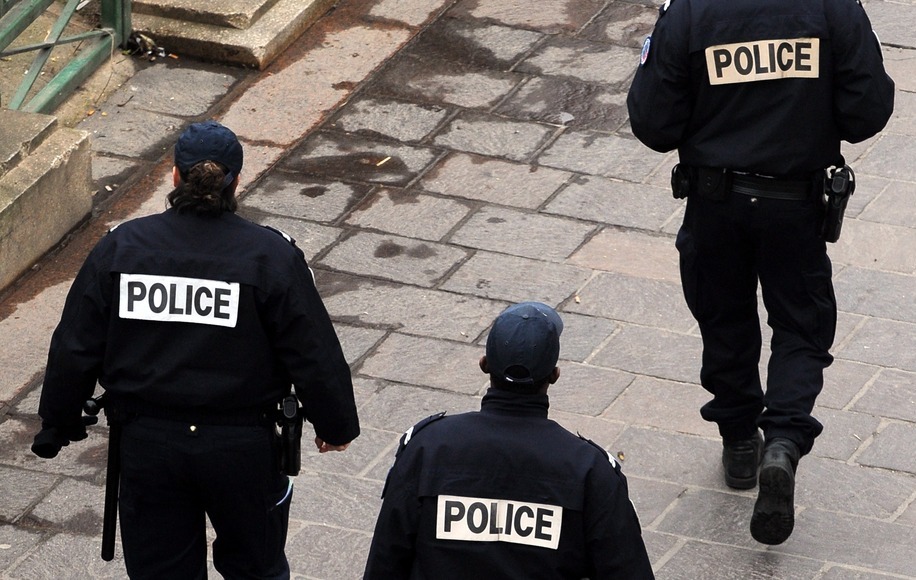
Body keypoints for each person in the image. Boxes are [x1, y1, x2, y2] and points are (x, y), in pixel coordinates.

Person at [30, 120, 360, 578]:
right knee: (256, 568)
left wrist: (58, 422)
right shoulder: (269, 257)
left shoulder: (122, 248)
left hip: (148, 445)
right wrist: (335, 423)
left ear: (174, 176)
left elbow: (75, 346)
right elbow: (311, 349)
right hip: (242, 447)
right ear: (236, 180)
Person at [626, 0, 894, 545]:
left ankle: (740, 442)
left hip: (714, 201)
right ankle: (784, 442)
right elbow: (868, 111)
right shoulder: (831, 10)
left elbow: (653, 123)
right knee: (801, 325)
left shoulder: (691, 14)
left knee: (724, 315)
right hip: (794, 202)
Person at [363, 302, 655, 579]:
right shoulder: (589, 470)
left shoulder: (426, 448)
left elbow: (386, 561)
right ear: (554, 375)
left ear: (484, 364)